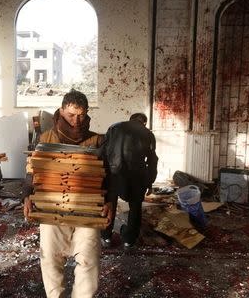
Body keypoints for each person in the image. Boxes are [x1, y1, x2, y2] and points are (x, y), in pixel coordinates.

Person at [23, 89, 113, 298]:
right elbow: (32, 170)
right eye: (71, 115)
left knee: (89, 261)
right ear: (62, 111)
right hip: (52, 206)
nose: (76, 121)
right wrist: (27, 194)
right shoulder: (46, 138)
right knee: (50, 259)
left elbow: (110, 174)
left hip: (88, 209)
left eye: (81, 115)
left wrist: (110, 201)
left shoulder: (97, 141)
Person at [100, 112, 158, 248]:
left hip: (113, 173)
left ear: (130, 119)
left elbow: (102, 152)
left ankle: (106, 237)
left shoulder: (114, 128)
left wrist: (101, 175)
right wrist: (150, 181)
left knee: (110, 203)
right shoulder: (148, 134)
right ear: (144, 122)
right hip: (136, 175)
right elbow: (152, 160)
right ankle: (128, 240)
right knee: (135, 207)